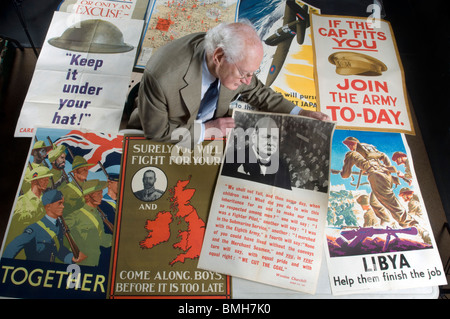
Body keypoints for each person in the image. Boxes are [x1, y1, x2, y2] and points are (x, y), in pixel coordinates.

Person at [127, 21, 329, 144]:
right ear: (219, 56)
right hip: (170, 132)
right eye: (244, 73)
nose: (248, 80)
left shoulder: (236, 62)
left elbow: (258, 92)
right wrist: (208, 130)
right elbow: (157, 132)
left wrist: (300, 113)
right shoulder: (163, 77)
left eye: (253, 73)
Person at [3, 190, 87, 264]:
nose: (63, 206)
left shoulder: (59, 226)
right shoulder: (34, 229)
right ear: (48, 206)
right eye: (59, 203)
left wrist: (71, 257)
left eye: (63, 203)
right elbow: (12, 247)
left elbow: (58, 249)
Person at [221, 116, 291, 190]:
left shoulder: (283, 167)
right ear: (254, 137)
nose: (271, 143)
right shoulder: (232, 158)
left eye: (275, 138)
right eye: (266, 136)